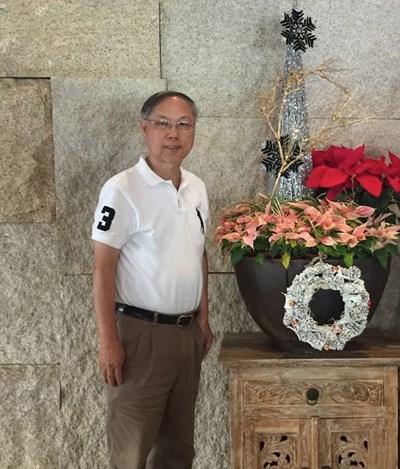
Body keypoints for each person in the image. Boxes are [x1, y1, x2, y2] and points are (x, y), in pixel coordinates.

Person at [91, 90, 213, 469]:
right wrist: (108, 341)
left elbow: (199, 253)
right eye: (163, 123)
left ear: (194, 131)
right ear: (144, 128)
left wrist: (204, 319)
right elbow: (103, 267)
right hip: (140, 337)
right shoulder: (122, 189)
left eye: (183, 124)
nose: (173, 134)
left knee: (178, 451)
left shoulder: (196, 188)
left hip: (187, 335)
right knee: (131, 454)